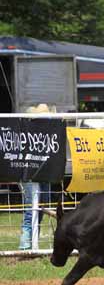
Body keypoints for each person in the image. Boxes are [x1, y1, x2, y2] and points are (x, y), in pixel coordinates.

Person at [19, 103, 54, 250]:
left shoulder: (50, 132)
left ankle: (33, 241)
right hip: (30, 173)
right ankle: (26, 244)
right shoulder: (27, 132)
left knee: (41, 206)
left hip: (42, 173)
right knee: (31, 209)